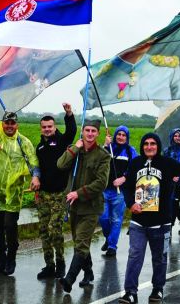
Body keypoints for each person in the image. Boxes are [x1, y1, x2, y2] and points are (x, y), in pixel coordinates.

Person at [119, 132, 180, 303]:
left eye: (153, 143)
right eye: (146, 143)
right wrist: (131, 203)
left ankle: (157, 289)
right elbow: (127, 186)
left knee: (160, 258)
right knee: (135, 256)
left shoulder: (167, 163)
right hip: (138, 221)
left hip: (161, 222)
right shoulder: (136, 163)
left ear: (158, 146)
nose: (149, 146)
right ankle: (130, 292)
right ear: (142, 146)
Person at [0, 92, 40, 276]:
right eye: (6, 123)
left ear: (16, 125)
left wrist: (35, 176)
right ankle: (0, 261)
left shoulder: (24, 142)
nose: (9, 126)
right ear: (2, 123)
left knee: (10, 228)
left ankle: (11, 258)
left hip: (13, 197)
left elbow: (34, 163)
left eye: (12, 123)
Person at [56, 119, 111, 293]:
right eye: (87, 130)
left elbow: (101, 183)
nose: (89, 134)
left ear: (98, 134)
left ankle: (69, 279)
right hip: (73, 206)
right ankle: (88, 272)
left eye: (93, 131)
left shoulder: (103, 156)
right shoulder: (76, 150)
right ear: (83, 132)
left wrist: (78, 193)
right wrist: (74, 149)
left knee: (81, 243)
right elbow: (60, 165)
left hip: (91, 207)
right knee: (80, 242)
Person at [34, 104, 77, 280]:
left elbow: (72, 131)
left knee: (54, 229)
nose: (47, 129)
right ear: (41, 128)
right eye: (44, 127)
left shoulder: (61, 141)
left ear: (54, 127)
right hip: (43, 194)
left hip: (59, 194)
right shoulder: (40, 147)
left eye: (50, 127)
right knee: (44, 230)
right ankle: (49, 265)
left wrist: (69, 114)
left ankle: (61, 264)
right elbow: (38, 168)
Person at [83, 38, 180, 110]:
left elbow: (179, 95)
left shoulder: (166, 66)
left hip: (167, 114)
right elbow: (91, 92)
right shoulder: (112, 69)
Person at [100, 126, 138, 257]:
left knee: (116, 219)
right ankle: (109, 238)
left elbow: (135, 168)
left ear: (127, 137)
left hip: (120, 192)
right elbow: (98, 161)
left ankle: (112, 246)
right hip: (104, 190)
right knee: (103, 217)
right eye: (119, 134)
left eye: (124, 135)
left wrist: (124, 178)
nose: (121, 137)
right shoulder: (108, 148)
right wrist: (105, 146)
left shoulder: (130, 151)